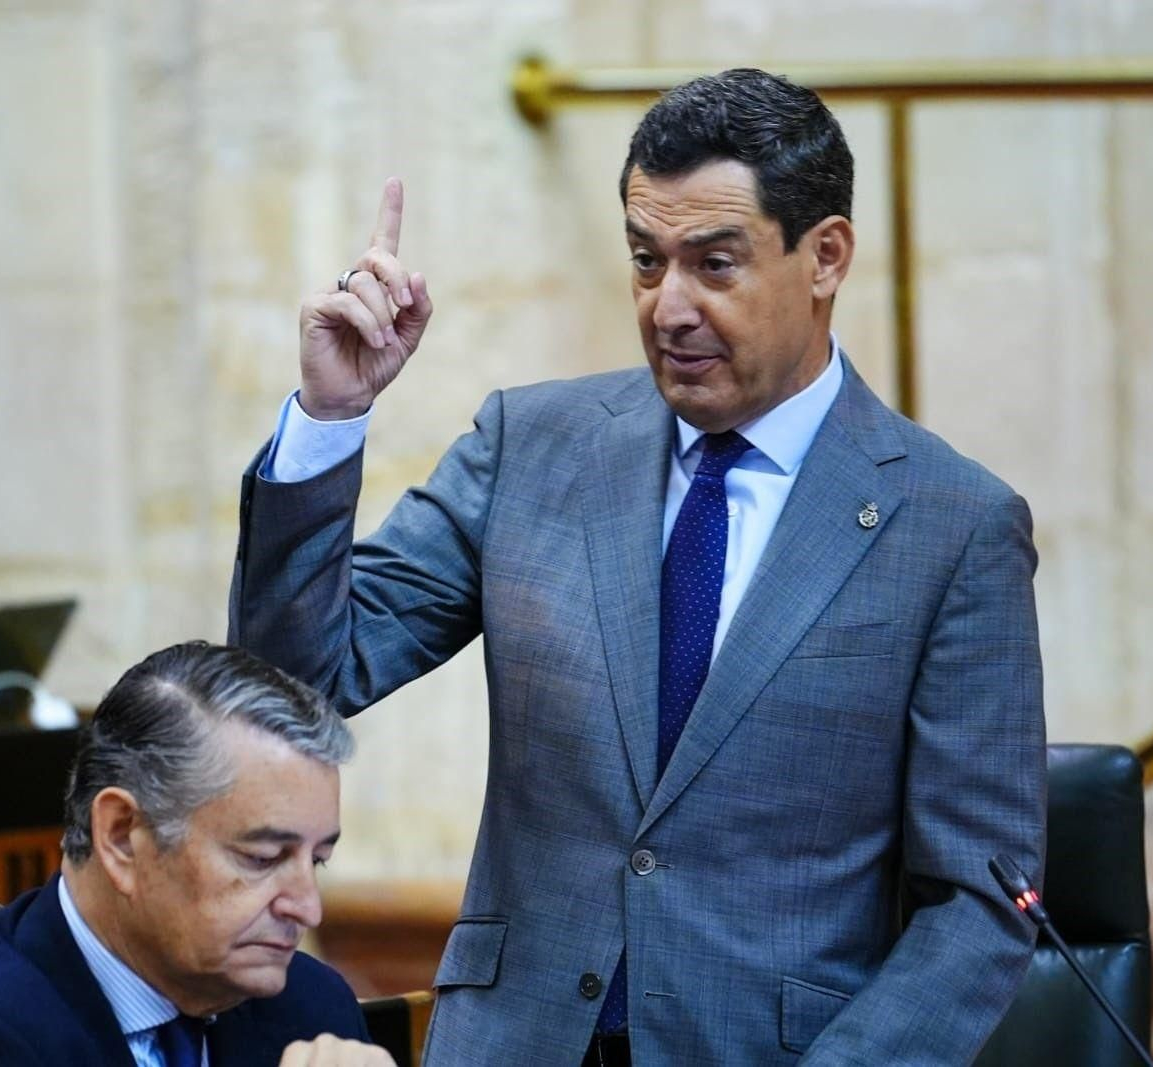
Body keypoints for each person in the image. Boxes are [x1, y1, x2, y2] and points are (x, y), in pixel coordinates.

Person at [231, 68, 1045, 1066]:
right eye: (646, 262)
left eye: (714, 264)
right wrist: (329, 419)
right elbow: (292, 683)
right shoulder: (529, 446)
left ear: (824, 255)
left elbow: (977, 903)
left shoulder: (953, 526)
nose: (669, 307)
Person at [0, 641, 392, 1067]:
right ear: (120, 836)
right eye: (262, 858)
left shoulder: (310, 1005)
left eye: (317, 860)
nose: (307, 908)